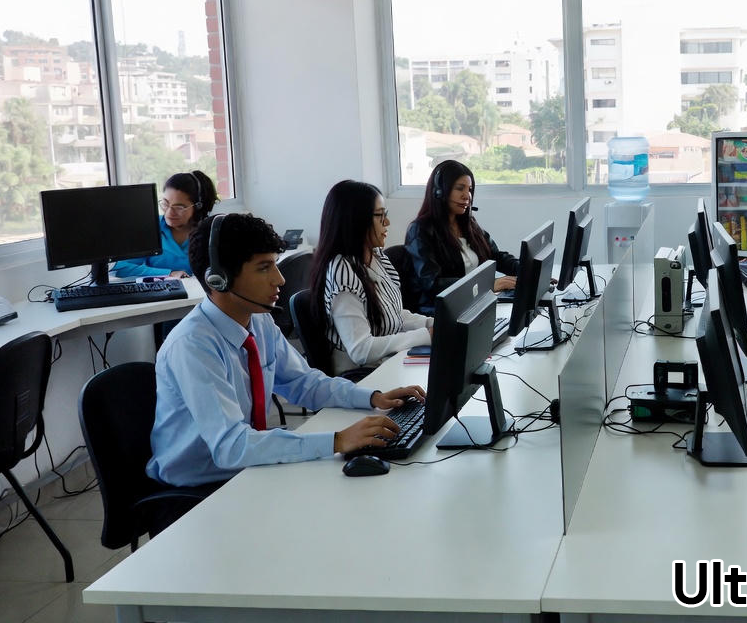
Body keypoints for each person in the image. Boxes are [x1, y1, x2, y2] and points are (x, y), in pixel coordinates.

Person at [147, 213, 424, 494]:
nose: (279, 279)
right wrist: (338, 440)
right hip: (200, 490)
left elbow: (303, 382)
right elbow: (231, 447)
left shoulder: (258, 319)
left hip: (247, 465)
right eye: (264, 268)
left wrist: (373, 397)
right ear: (218, 279)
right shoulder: (193, 345)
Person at [309, 180, 433, 373]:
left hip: (388, 363)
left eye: (386, 214)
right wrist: (426, 335)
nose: (387, 222)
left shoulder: (374, 256)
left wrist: (433, 323)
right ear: (355, 220)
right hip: (363, 376)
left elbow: (394, 316)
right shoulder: (343, 272)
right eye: (379, 216)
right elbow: (361, 349)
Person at [403, 159, 518, 314]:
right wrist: (486, 285)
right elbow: (433, 284)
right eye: (460, 188)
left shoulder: (469, 224)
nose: (467, 196)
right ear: (440, 191)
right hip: (442, 314)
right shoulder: (420, 230)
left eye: (469, 189)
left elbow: (496, 256)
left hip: (473, 307)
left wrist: (528, 269)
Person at [113, 170, 218, 279]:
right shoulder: (150, 227)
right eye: (165, 203)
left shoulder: (211, 231)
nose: (169, 213)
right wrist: (169, 273)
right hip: (163, 293)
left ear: (198, 206)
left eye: (179, 207)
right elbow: (122, 268)